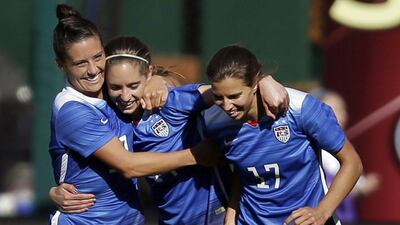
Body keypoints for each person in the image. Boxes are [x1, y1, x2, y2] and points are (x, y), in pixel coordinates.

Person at [50, 35, 289, 225]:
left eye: (134, 85)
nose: (125, 95)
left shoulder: (171, 101)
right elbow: (124, 165)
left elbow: (226, 89)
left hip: (218, 211)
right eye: (115, 87)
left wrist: (263, 80)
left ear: (150, 74)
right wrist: (55, 192)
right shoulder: (110, 117)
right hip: (169, 218)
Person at [49, 4, 221, 225]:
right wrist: (197, 155)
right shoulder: (73, 110)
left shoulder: (113, 93)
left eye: (97, 57)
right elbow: (128, 166)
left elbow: (203, 92)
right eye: (80, 63)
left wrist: (159, 81)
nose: (93, 70)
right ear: (61, 65)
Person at [200, 45, 363, 225]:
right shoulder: (214, 121)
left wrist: (322, 211)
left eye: (234, 96)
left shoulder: (300, 108)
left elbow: (352, 162)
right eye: (218, 97)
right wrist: (231, 217)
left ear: (254, 84)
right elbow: (243, 169)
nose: (226, 105)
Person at [311, 88, 380, 224]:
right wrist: (360, 188)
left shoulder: (340, 147)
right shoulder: (313, 149)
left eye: (343, 110)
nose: (343, 116)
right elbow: (326, 187)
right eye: (336, 109)